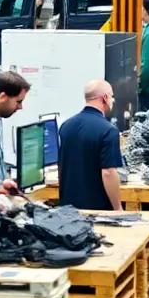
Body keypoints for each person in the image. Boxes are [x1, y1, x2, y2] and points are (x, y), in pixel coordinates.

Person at [57, 80, 124, 211]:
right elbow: (109, 172)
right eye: (112, 96)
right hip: (97, 210)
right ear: (105, 98)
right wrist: (118, 209)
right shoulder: (108, 130)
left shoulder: (66, 126)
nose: (112, 100)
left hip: (68, 211)